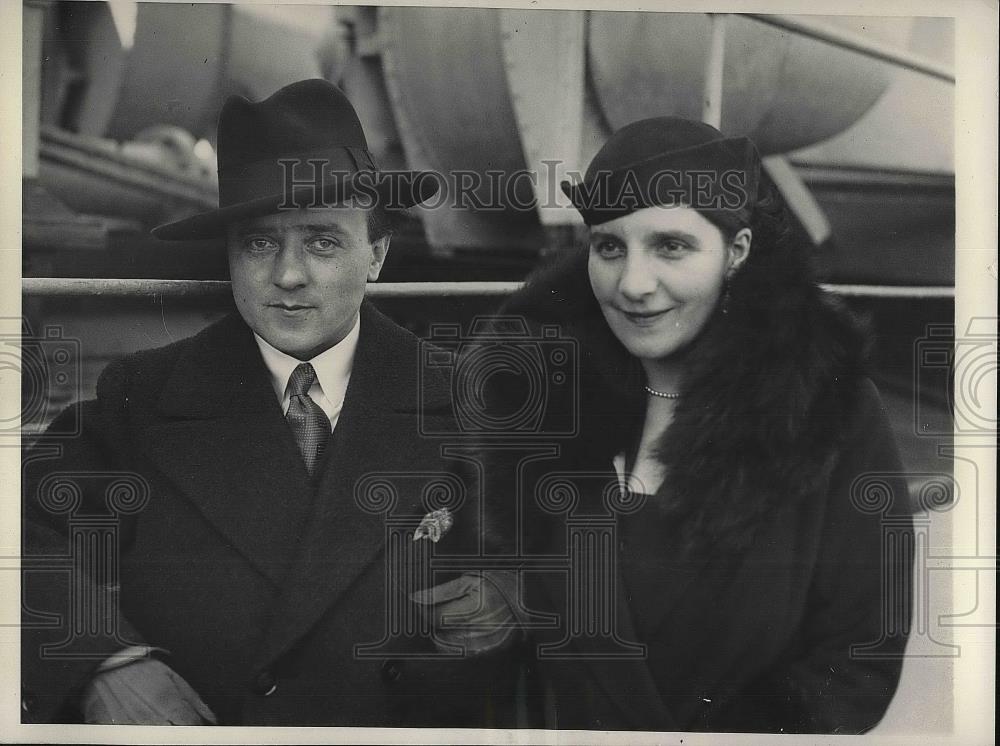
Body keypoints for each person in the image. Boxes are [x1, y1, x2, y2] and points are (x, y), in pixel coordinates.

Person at [21, 79, 523, 727]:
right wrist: (103, 663)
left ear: (376, 255)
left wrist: (514, 594)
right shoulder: (141, 400)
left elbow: (573, 535)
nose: (287, 275)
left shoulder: (466, 399)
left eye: (322, 241)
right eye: (259, 243)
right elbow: (21, 539)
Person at [482, 117, 915, 733]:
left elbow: (857, 663)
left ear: (735, 254)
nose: (633, 284)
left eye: (671, 247)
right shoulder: (542, 411)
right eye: (610, 247)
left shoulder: (827, 410)